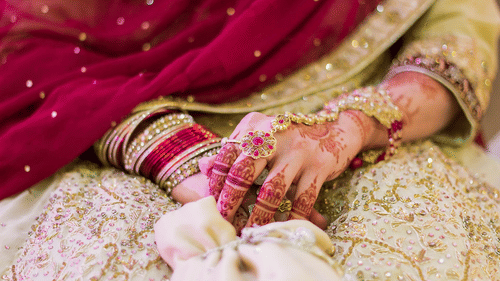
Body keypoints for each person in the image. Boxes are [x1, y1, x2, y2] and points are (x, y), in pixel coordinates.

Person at [1, 0, 500, 280]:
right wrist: (173, 149)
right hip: (135, 128)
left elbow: (446, 65)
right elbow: (28, 46)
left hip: (371, 140)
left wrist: (335, 134)